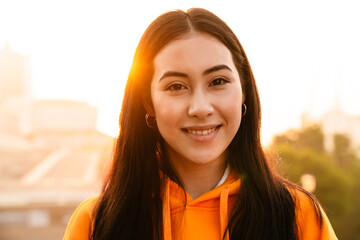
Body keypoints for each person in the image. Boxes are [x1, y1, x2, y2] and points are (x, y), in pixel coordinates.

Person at [63, 8, 337, 240]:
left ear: (244, 91)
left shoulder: (296, 216)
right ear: (149, 103)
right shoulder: (96, 223)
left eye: (218, 81)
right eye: (176, 86)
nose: (200, 108)